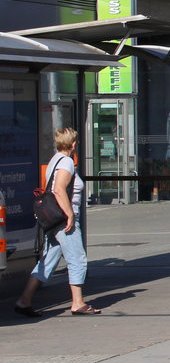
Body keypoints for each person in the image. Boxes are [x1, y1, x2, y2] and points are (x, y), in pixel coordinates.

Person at [14, 127, 102, 317]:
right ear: (73, 144)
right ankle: (78, 303)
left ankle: (24, 300)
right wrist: (69, 214)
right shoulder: (67, 162)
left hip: (55, 220)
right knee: (77, 258)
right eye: (76, 142)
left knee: (49, 260)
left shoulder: (55, 160)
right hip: (64, 220)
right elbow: (59, 190)